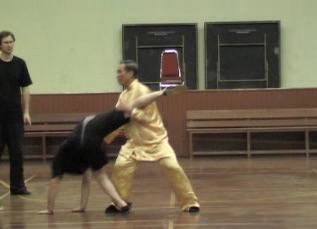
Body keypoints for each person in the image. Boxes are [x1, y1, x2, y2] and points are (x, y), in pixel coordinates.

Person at [38, 87, 182, 215]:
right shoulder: (117, 115)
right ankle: (120, 203)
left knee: (65, 176)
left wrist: (52, 209)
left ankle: (54, 208)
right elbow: (140, 102)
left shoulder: (107, 116)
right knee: (99, 175)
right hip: (88, 143)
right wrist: (161, 92)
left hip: (73, 144)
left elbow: (55, 182)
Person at [105, 60, 200, 213]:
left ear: (130, 73)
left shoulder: (143, 91)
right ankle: (120, 203)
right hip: (134, 143)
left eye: (120, 71)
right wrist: (107, 137)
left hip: (156, 141)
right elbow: (118, 120)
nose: (118, 75)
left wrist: (131, 111)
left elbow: (147, 119)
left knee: (172, 167)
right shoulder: (124, 95)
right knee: (121, 167)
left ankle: (190, 202)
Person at [0, 31, 32, 195]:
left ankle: (18, 187)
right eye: (6, 42)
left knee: (17, 152)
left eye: (11, 42)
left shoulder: (20, 64)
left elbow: (25, 88)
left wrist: (26, 112)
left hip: (15, 117)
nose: (9, 45)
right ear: (0, 45)